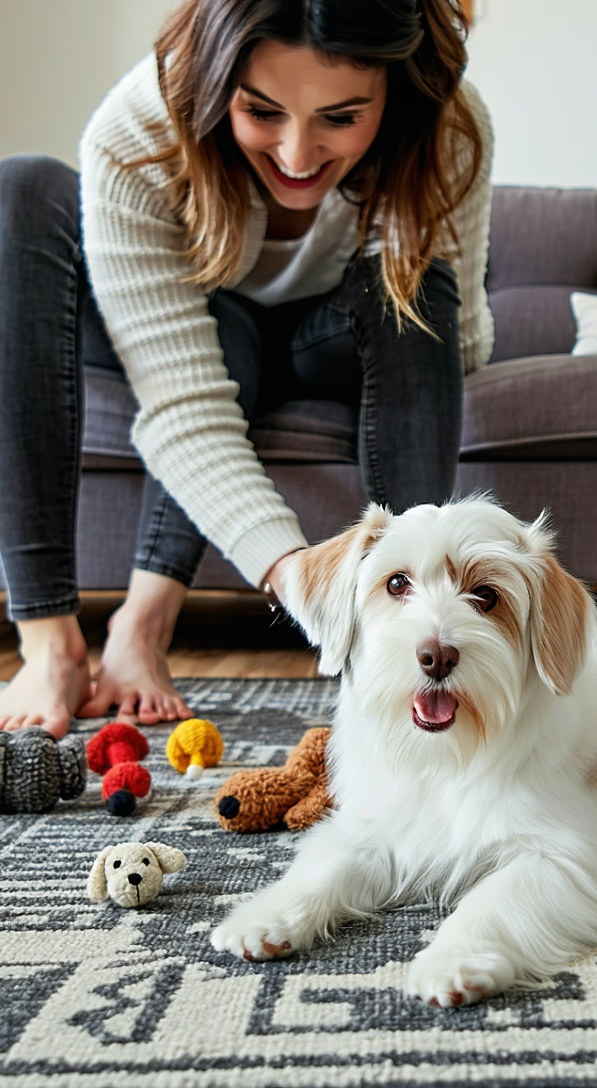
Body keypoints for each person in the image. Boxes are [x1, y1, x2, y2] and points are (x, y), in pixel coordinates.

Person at [0, 0, 493, 738]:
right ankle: (53, 643)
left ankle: (409, 630)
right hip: (199, 334)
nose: (297, 156)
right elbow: (185, 406)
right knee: (21, 188)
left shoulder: (447, 126)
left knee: (414, 286)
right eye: (262, 112)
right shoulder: (136, 130)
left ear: (393, 92)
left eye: (341, 117)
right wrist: (296, 575)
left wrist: (404, 246)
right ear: (214, 83)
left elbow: (460, 344)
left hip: (332, 342)